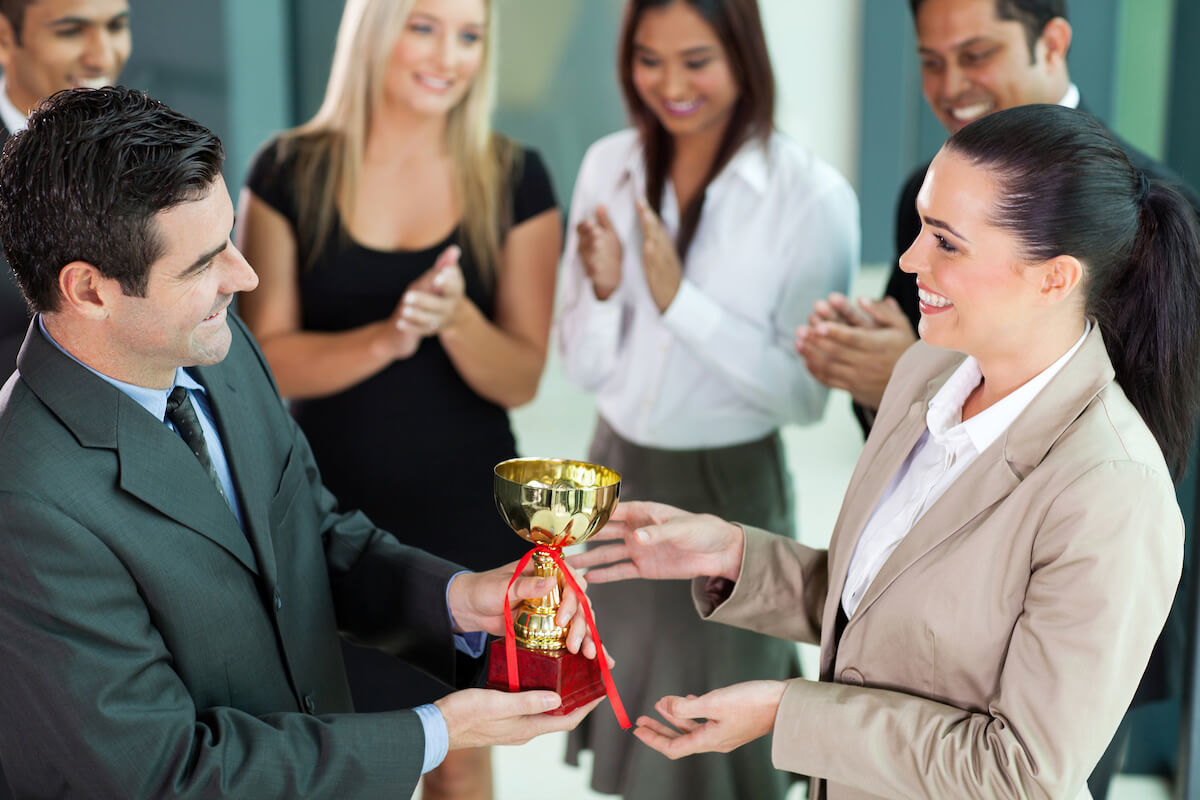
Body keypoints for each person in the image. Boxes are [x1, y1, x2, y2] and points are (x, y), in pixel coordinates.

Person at [574, 103, 1200, 799]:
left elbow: (1022, 772)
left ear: (1053, 277)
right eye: (921, 229)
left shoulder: (1111, 490)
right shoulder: (922, 376)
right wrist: (733, 556)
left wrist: (788, 712)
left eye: (946, 243)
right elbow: (889, 617)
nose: (908, 261)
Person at [0, 86, 601, 799]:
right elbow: (164, 775)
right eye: (202, 264)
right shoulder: (25, 501)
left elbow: (311, 539)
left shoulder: (213, 346)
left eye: (228, 236)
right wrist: (436, 731)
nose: (244, 276)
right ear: (89, 291)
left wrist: (462, 599)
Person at [236, 0, 561, 795]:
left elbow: (520, 374)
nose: (447, 55)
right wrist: (388, 336)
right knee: (342, 755)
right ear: (375, 29)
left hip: (465, 517)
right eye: (423, 26)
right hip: (329, 517)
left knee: (463, 756)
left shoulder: (515, 177)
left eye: (470, 35)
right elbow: (260, 362)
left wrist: (455, 320)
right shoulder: (287, 170)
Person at [555, 0, 858, 797]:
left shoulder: (810, 196)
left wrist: (679, 300)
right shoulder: (606, 165)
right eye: (649, 60)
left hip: (730, 491)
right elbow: (584, 365)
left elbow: (803, 399)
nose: (670, 84)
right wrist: (609, 288)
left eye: (696, 60)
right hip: (614, 470)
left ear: (743, 56)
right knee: (631, 724)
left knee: (720, 737)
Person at [797, 0, 1200, 431]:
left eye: (975, 56)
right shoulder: (924, 192)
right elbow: (895, 379)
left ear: (1051, 45)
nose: (950, 86)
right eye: (931, 62)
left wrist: (915, 377)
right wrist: (868, 363)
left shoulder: (1154, 210)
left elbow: (1148, 425)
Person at [0, 0, 130, 378]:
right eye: (71, 31)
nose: (102, 56)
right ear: (5, 37)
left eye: (116, 26)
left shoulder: (151, 138)